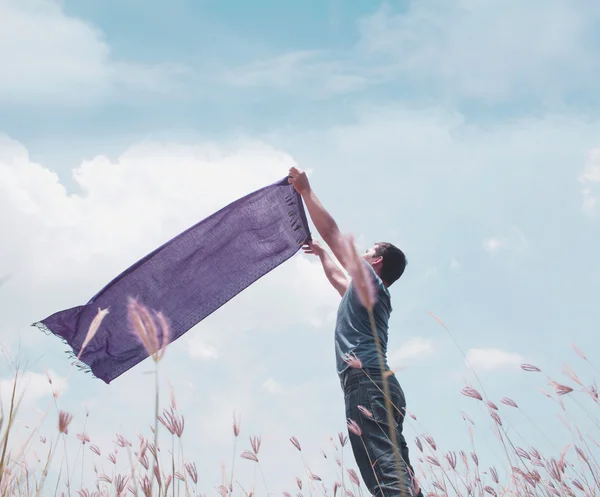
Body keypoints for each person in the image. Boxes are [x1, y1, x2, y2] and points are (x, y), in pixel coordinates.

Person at [289, 167, 422, 497]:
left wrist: (306, 192)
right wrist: (320, 254)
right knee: (396, 471)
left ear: (375, 263)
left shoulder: (372, 284)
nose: (360, 254)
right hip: (379, 386)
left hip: (367, 385)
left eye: (367, 251)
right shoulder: (365, 292)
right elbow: (338, 280)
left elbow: (335, 236)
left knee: (386, 477)